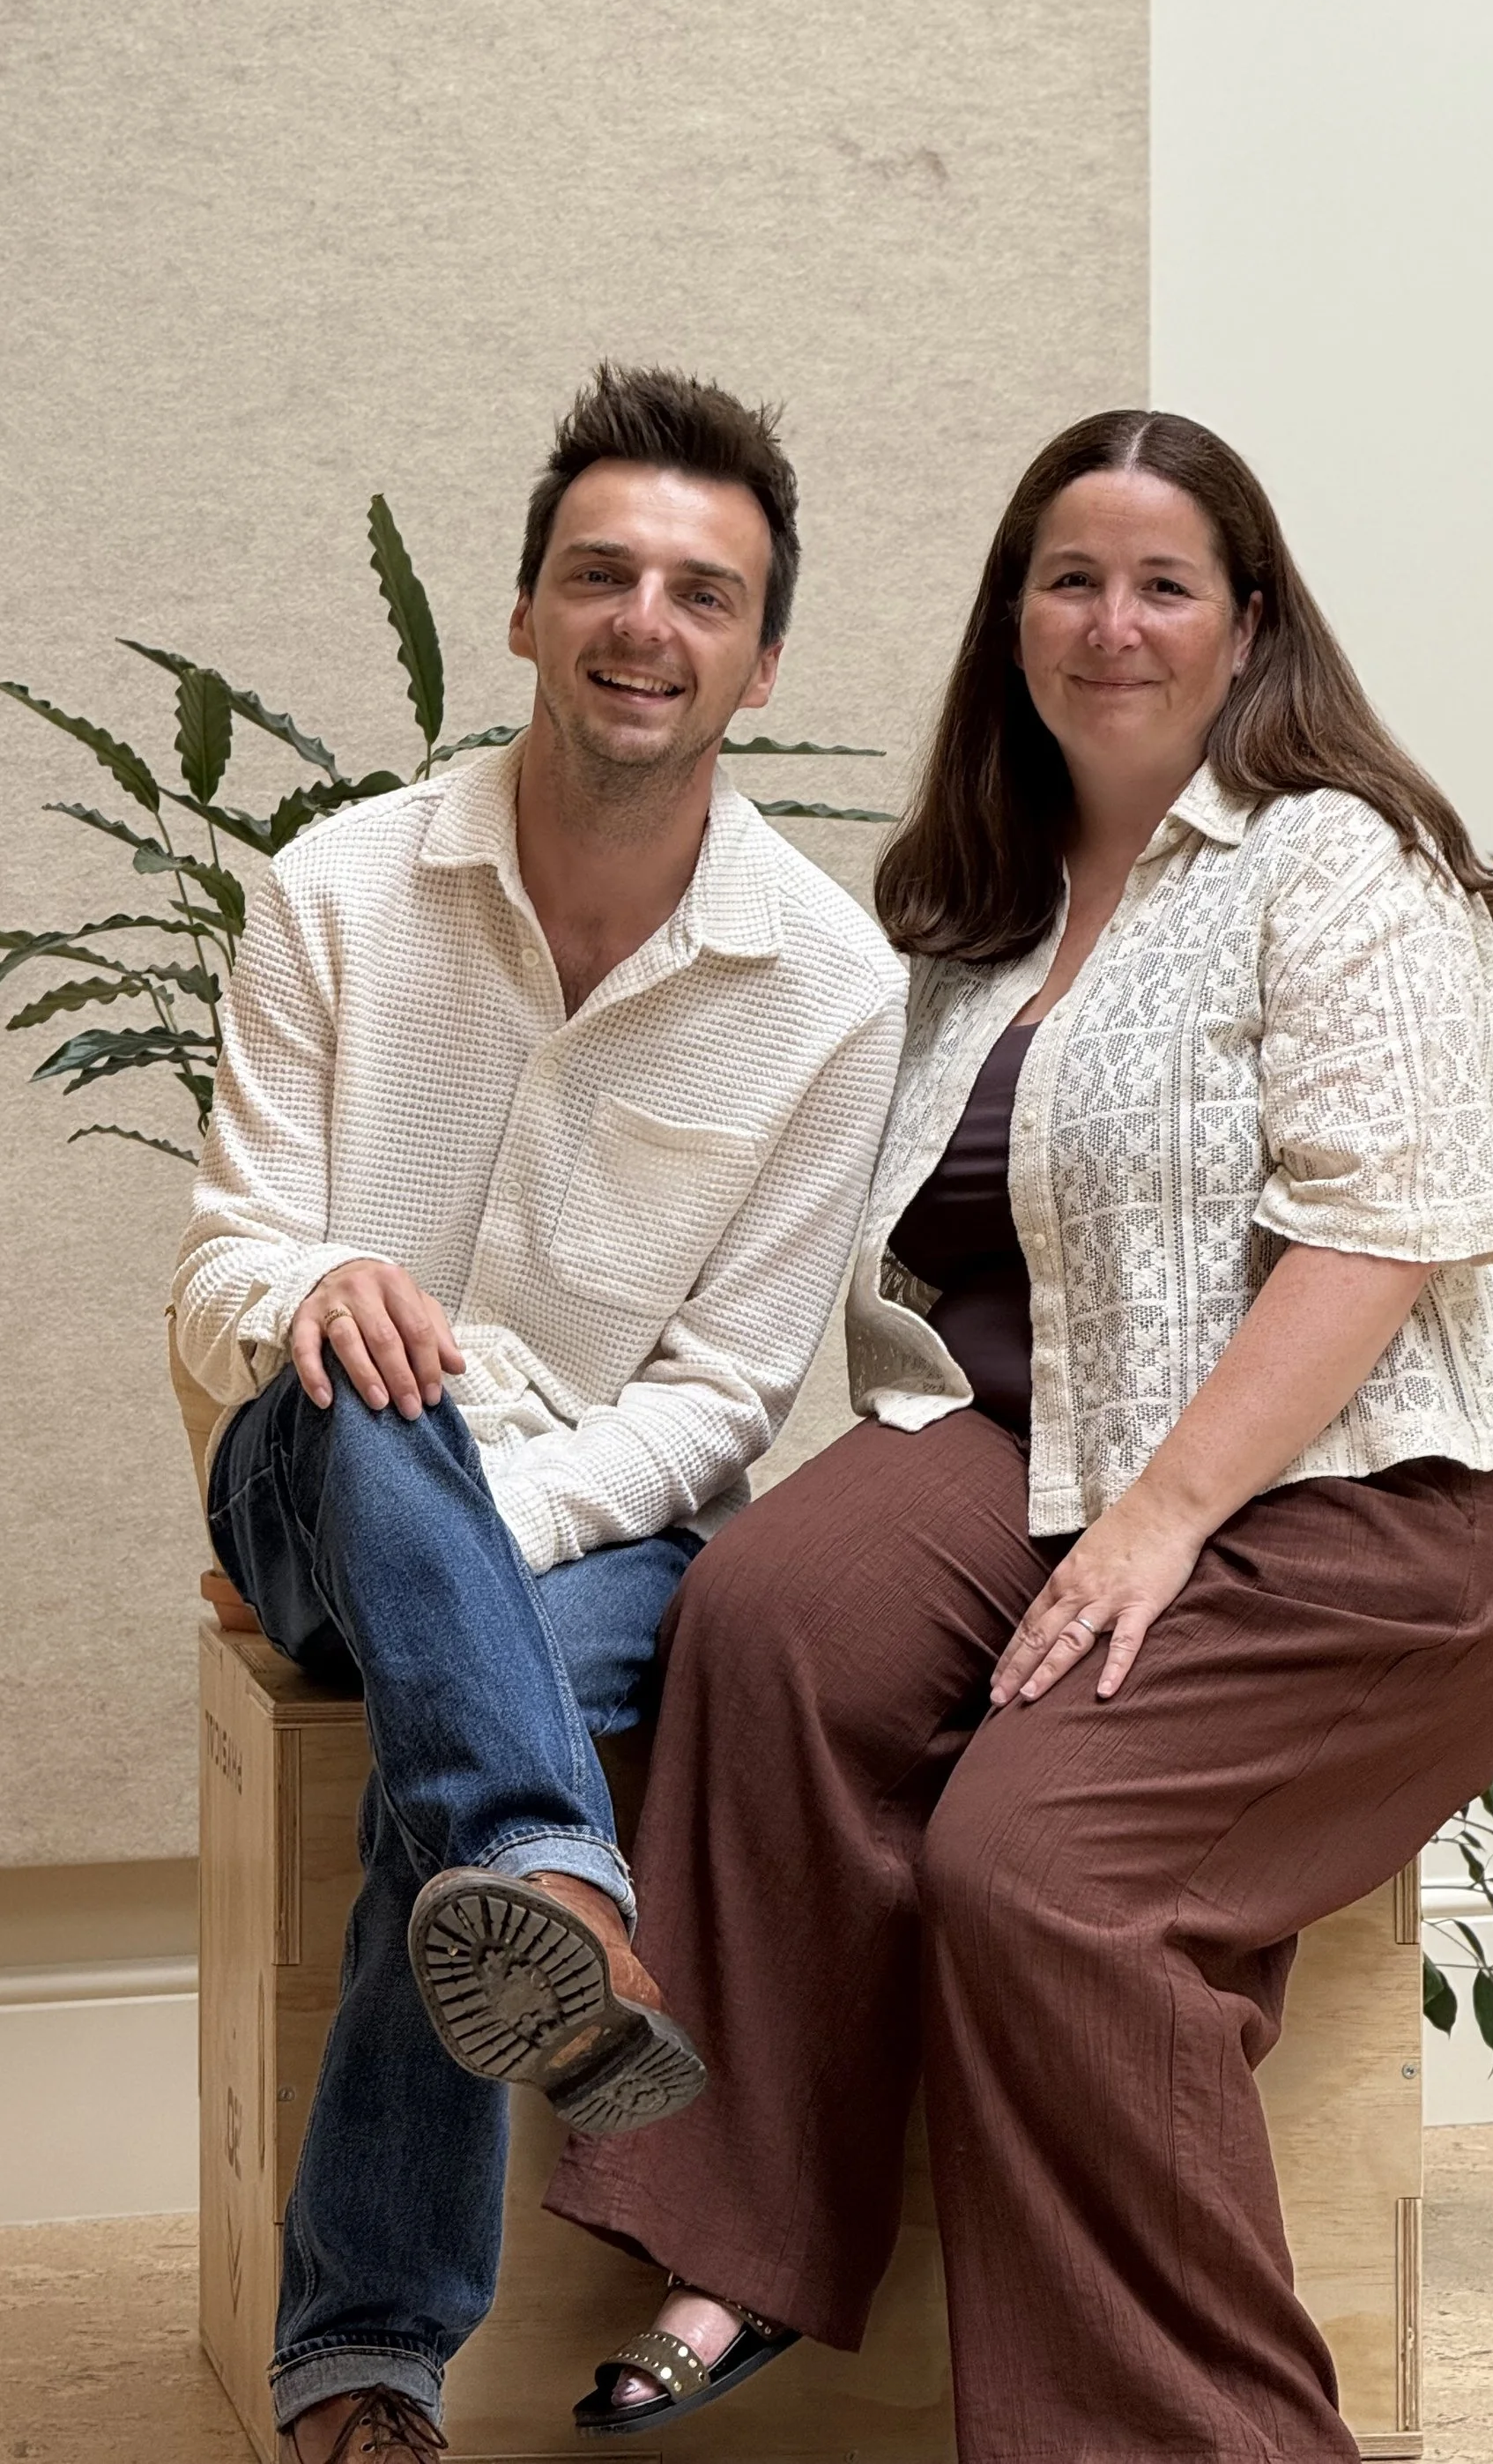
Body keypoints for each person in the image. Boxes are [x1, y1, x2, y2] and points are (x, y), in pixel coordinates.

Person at [546, 408, 1493, 2464]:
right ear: (1009, 617)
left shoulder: (1333, 858)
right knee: (766, 1607)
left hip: (1375, 1497)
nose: (1109, 622)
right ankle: (747, 2238)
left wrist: (1153, 1528)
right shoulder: (966, 918)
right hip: (1046, 1448)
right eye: (1066, 577)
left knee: (1033, 1876)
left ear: (1248, 623)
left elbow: (1374, 1232)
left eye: (1161, 581)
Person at [174, 364, 904, 2464]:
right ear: (519, 613)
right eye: (598, 573)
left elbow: (717, 1398)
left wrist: (483, 1526)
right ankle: (550, 1897)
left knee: (465, 1757)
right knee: (371, 1361)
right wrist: (331, 1287)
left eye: (697, 589)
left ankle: (367, 2360)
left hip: (589, 1542)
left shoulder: (829, 987)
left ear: (760, 659)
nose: (638, 621)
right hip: (314, 1484)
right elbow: (231, 1266)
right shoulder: (333, 891)